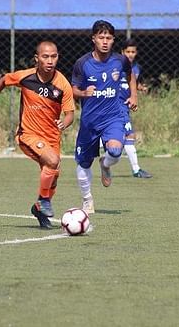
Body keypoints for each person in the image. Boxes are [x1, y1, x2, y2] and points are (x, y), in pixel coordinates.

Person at [0, 40, 75, 229]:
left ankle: (38, 209)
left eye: (54, 56)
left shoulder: (63, 84)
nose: (50, 61)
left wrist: (65, 122)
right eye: (45, 57)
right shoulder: (26, 77)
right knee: (53, 161)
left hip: (52, 137)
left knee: (53, 176)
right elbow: (3, 80)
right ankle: (43, 202)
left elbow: (70, 113)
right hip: (28, 134)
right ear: (37, 59)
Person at [71, 20, 138, 215]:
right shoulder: (82, 63)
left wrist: (134, 95)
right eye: (101, 37)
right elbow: (73, 89)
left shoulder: (120, 60)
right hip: (90, 122)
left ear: (113, 40)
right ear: (93, 39)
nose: (105, 41)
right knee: (83, 164)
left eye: (108, 38)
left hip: (113, 117)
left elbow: (130, 75)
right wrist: (84, 94)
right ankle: (87, 201)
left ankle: (105, 164)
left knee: (116, 151)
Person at [119, 38, 153, 179]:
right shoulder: (116, 66)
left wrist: (140, 88)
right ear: (122, 52)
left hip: (126, 106)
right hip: (117, 105)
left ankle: (101, 153)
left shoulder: (136, 68)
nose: (131, 54)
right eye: (128, 52)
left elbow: (131, 84)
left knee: (119, 139)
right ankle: (136, 169)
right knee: (129, 135)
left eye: (133, 52)